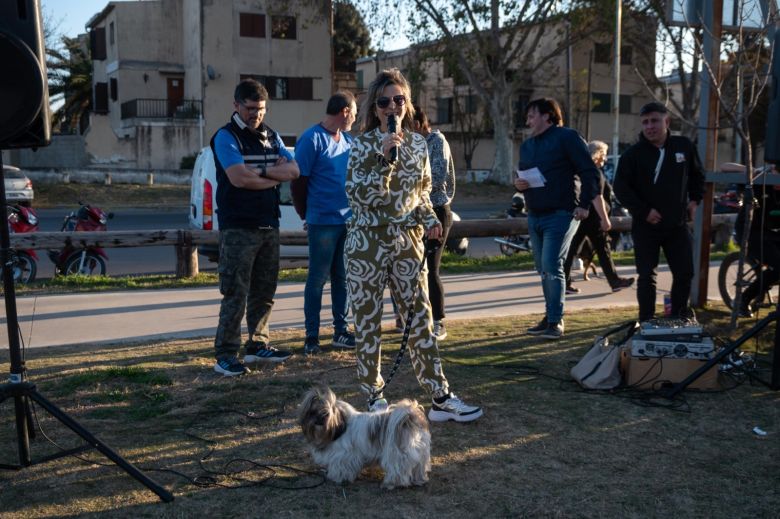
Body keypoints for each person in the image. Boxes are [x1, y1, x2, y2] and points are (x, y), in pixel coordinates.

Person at [345, 68, 482, 422]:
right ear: (374, 108)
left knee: (421, 318)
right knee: (368, 322)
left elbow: (421, 194)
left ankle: (439, 396)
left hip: (407, 243)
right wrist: (383, 159)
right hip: (367, 245)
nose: (392, 107)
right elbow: (360, 196)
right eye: (384, 102)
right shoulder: (361, 145)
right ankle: (373, 396)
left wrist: (431, 219)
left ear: (408, 103)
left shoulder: (420, 144)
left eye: (399, 100)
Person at [210, 79, 299, 376]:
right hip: (238, 227)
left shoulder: (271, 136)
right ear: (236, 105)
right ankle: (225, 354)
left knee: (264, 291)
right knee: (236, 292)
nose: (255, 115)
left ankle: (258, 344)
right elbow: (238, 178)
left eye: (260, 109)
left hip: (268, 224)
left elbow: (294, 170)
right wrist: (273, 175)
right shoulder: (226, 137)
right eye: (250, 109)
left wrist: (259, 172)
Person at [514, 98, 600, 339]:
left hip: (562, 213)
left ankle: (556, 321)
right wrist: (519, 184)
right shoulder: (527, 146)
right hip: (535, 213)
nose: (528, 120)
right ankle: (550, 316)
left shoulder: (567, 137)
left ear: (548, 116)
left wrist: (584, 205)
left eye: (532, 115)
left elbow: (589, 172)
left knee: (552, 264)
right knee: (543, 268)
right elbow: (522, 177)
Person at [613, 101, 704, 322]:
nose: (650, 126)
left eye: (654, 120)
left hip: (677, 225)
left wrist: (695, 201)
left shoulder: (684, 146)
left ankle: (678, 317)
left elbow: (698, 176)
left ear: (666, 121)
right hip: (646, 226)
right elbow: (620, 189)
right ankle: (646, 320)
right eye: (645, 122)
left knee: (685, 273)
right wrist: (644, 211)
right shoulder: (632, 155)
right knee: (646, 276)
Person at [292, 92, 357, 355]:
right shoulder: (311, 139)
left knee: (342, 278)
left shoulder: (349, 140)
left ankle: (341, 332)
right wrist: (305, 215)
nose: (355, 117)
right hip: (322, 222)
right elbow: (298, 181)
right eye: (353, 112)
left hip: (347, 221)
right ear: (344, 112)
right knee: (317, 279)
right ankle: (311, 337)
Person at [391, 105, 456, 339]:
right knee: (404, 268)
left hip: (435, 210)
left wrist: (409, 182)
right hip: (410, 211)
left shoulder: (436, 142)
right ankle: (406, 316)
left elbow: (435, 178)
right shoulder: (403, 144)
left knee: (430, 269)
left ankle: (438, 321)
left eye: (407, 127)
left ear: (418, 124)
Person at [563, 140, 634, 294]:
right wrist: (605, 219)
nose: (606, 159)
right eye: (604, 155)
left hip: (580, 217)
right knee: (603, 249)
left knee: (572, 249)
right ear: (598, 155)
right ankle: (614, 281)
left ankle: (564, 283)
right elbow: (597, 197)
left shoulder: (580, 169)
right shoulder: (594, 172)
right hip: (594, 218)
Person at [721, 162, 780, 317]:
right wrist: (754, 171)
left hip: (772, 233)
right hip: (750, 232)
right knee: (778, 268)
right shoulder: (760, 181)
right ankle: (743, 300)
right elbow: (724, 166)